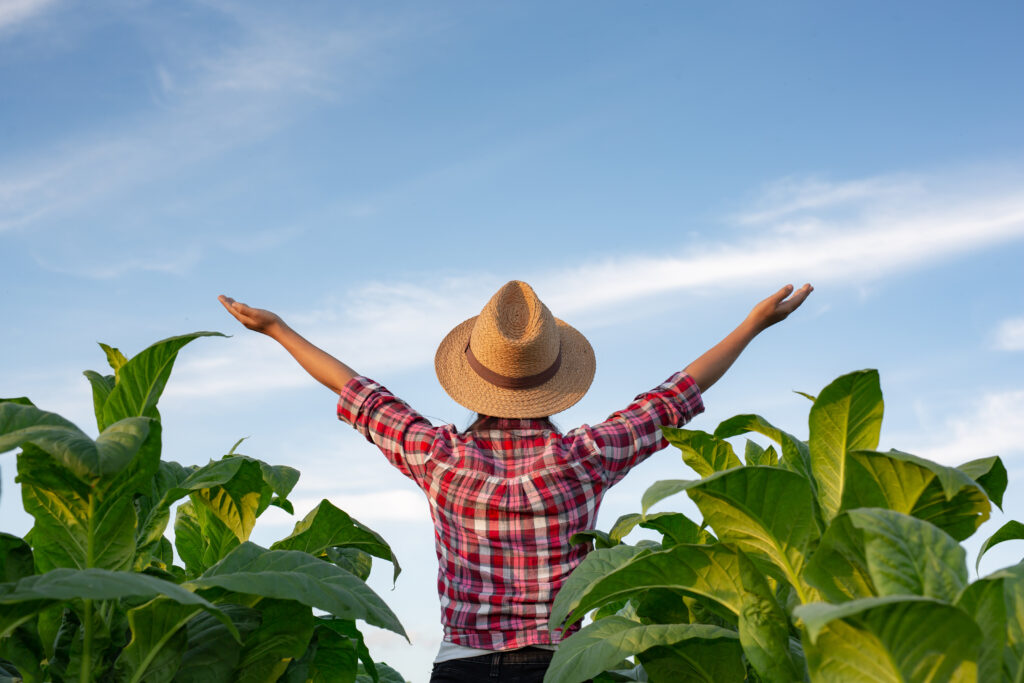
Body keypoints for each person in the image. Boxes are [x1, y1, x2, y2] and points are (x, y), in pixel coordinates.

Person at [218, 280, 812, 682]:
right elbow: (672, 398)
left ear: (472, 379)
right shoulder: (586, 456)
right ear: (555, 380)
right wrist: (753, 325)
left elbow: (359, 393)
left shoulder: (438, 455)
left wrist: (277, 329)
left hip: (462, 666)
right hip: (562, 666)